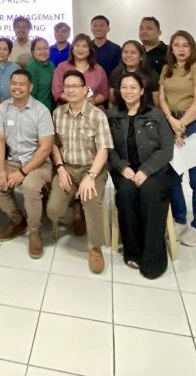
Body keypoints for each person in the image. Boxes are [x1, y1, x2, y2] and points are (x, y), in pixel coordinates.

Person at [108, 73, 176, 279]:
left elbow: (167, 149)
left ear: (142, 91)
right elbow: (107, 148)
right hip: (125, 170)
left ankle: (153, 255)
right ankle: (133, 249)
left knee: (149, 194)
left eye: (133, 87)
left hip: (154, 171)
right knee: (126, 193)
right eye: (124, 87)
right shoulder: (112, 115)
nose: (128, 91)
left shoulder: (155, 115)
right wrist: (123, 168)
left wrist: (145, 170)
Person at [49, 69, 114, 274]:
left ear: (86, 89)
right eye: (67, 86)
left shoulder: (97, 115)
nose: (70, 90)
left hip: (92, 168)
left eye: (75, 86)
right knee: (53, 211)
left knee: (91, 200)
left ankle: (95, 247)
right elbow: (54, 144)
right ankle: (75, 211)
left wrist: (91, 176)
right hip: (67, 167)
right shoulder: (58, 113)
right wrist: (59, 168)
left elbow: (104, 150)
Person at [0, 70, 55, 259]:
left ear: (30, 87)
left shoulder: (41, 110)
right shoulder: (4, 108)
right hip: (12, 160)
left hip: (38, 163)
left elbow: (46, 147)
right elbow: (0, 139)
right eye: (14, 83)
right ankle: (18, 220)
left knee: (30, 186)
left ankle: (34, 232)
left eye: (22, 84)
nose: (17, 87)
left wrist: (23, 172)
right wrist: (1, 169)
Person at [160, 30, 196, 247]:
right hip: (172, 122)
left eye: (185, 45)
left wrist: (181, 125)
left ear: (192, 48)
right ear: (171, 47)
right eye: (176, 45)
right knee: (172, 176)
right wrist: (170, 120)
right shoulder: (166, 68)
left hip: (195, 124)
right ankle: (180, 219)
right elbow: (162, 97)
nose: (181, 49)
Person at [52, 34, 109, 107]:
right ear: (72, 48)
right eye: (77, 45)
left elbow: (104, 93)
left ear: (90, 50)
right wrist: (77, 101)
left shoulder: (98, 70)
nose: (80, 49)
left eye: (84, 46)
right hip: (67, 109)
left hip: (92, 110)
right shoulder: (61, 67)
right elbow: (57, 92)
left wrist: (94, 100)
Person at [109, 39, 159, 108]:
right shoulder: (115, 74)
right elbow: (112, 101)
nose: (128, 55)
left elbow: (157, 103)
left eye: (133, 52)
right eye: (125, 52)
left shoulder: (151, 75)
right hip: (120, 115)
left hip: (146, 115)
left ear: (141, 57)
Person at [25, 37, 55, 112]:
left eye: (45, 48)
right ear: (33, 52)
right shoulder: (31, 68)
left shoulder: (51, 65)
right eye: (39, 49)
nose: (43, 52)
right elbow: (30, 96)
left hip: (51, 109)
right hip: (37, 112)